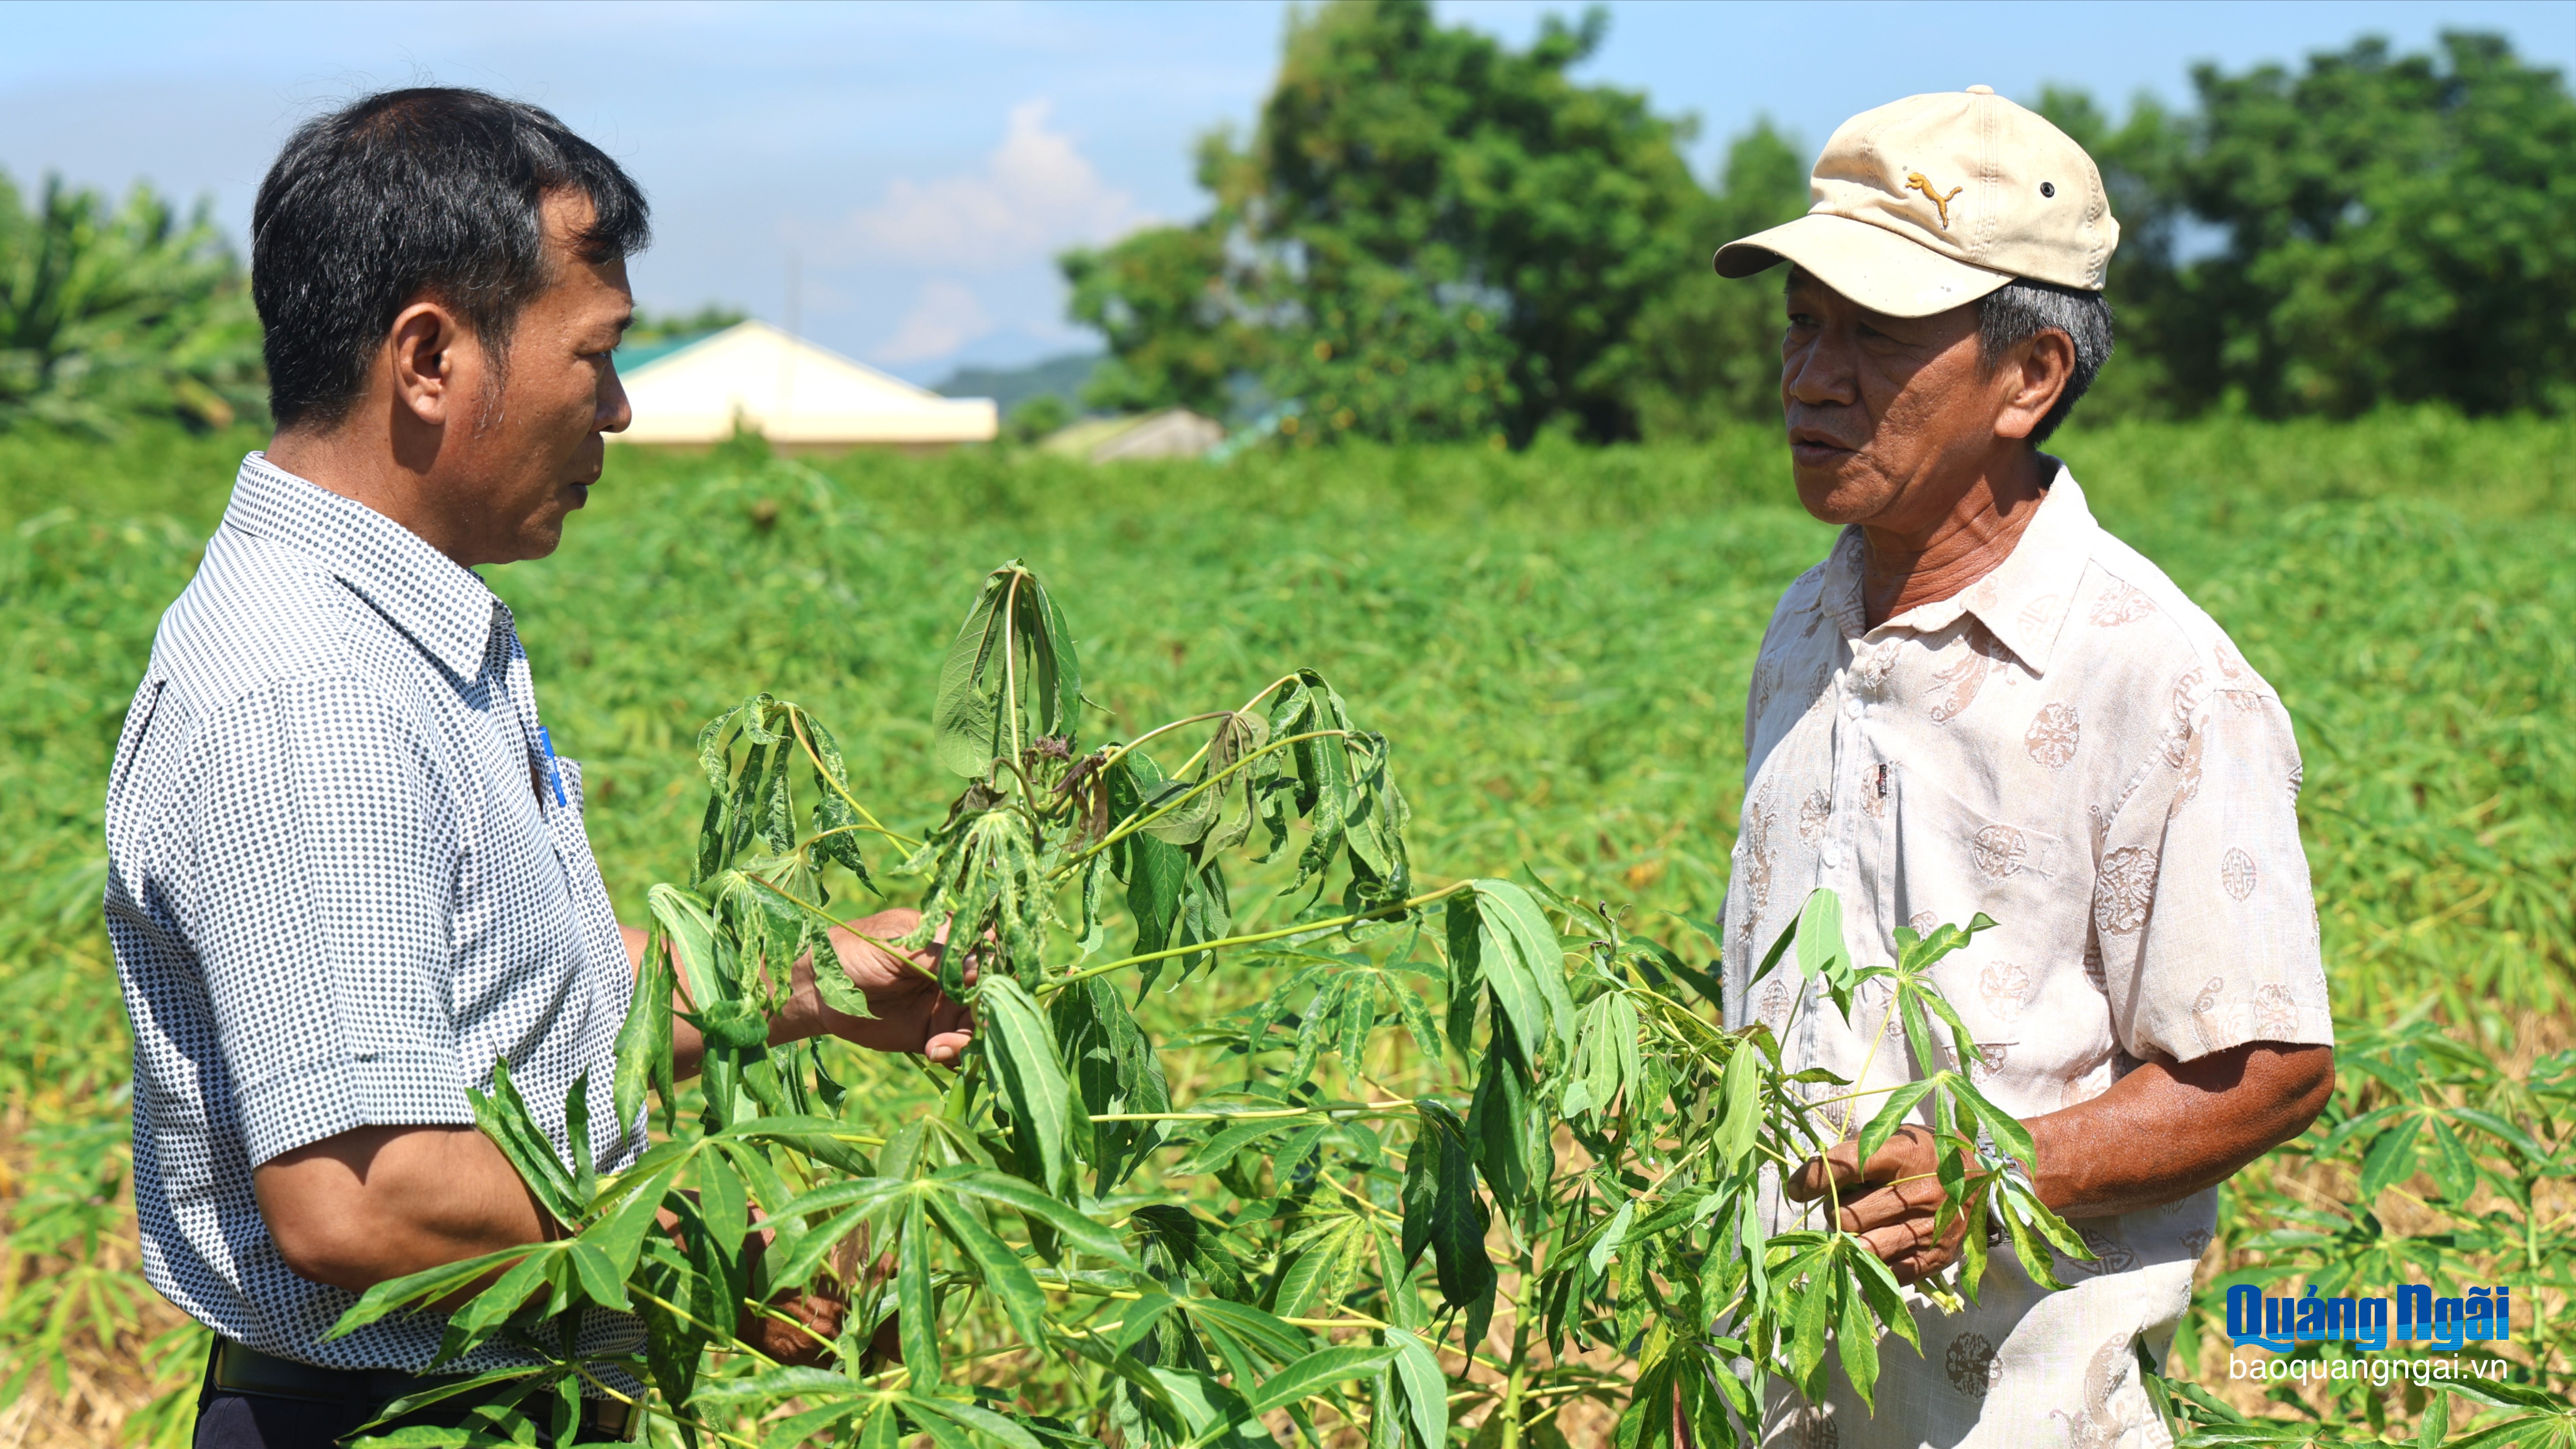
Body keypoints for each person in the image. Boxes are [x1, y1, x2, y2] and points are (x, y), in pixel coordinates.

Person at [100, 88, 969, 1448]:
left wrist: (820, 976)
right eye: (597, 355)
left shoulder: (387, 636)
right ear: (430, 357)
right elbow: (361, 1191)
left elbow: (500, 1007)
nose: (617, 410)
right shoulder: (314, 693)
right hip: (403, 1416)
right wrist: (710, 1239)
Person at [1709, 87, 2335, 1445]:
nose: (1811, 376)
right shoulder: (1806, 628)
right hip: (1784, 1394)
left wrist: (1996, 1172)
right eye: (1802, 325)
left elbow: (2271, 1063)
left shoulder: (2158, 678)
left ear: (2031, 376)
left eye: (1871, 336)